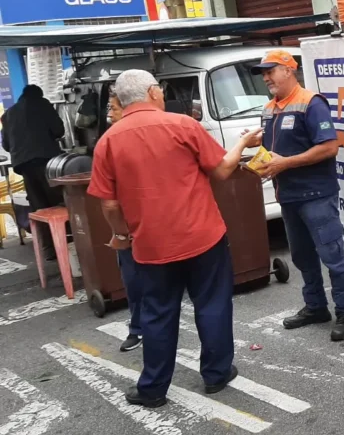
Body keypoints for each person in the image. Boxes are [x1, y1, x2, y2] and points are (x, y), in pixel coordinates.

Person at [88, 69, 261, 408]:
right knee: (211, 305)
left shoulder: (108, 141)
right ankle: (216, 374)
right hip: (202, 236)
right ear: (152, 92)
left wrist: (122, 234)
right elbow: (223, 170)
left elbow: (108, 203)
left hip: (151, 244)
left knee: (157, 313)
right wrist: (242, 142)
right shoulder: (182, 125)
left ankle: (152, 389)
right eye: (160, 89)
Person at [243, 50, 344, 341]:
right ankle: (316, 306)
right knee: (303, 258)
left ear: (289, 71)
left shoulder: (311, 103)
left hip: (317, 195)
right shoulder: (270, 108)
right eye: (263, 73)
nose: (266, 77)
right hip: (289, 197)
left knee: (333, 257)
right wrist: (259, 150)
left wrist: (284, 163)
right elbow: (275, 149)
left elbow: (329, 147)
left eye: (271, 71)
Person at [0, 85, 65, 259]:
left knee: (39, 207)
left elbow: (6, 144)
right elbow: (59, 130)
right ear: (39, 95)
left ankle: (49, 250)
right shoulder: (43, 104)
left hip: (24, 165)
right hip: (47, 161)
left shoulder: (9, 114)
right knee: (58, 204)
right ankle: (67, 245)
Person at [107, 91, 142, 353]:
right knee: (132, 279)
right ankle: (138, 328)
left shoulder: (143, 137)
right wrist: (120, 233)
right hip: (128, 226)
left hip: (150, 224)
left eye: (114, 109)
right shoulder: (108, 143)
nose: (109, 114)